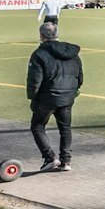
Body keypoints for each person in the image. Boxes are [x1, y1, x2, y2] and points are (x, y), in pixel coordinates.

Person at [26, 21, 84, 173]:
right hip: (68, 95)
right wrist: (75, 90)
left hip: (48, 97)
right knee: (65, 128)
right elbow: (80, 76)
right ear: (57, 35)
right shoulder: (72, 53)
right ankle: (66, 161)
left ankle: (50, 158)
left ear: (41, 36)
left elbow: (34, 80)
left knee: (37, 126)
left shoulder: (39, 54)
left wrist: (32, 97)